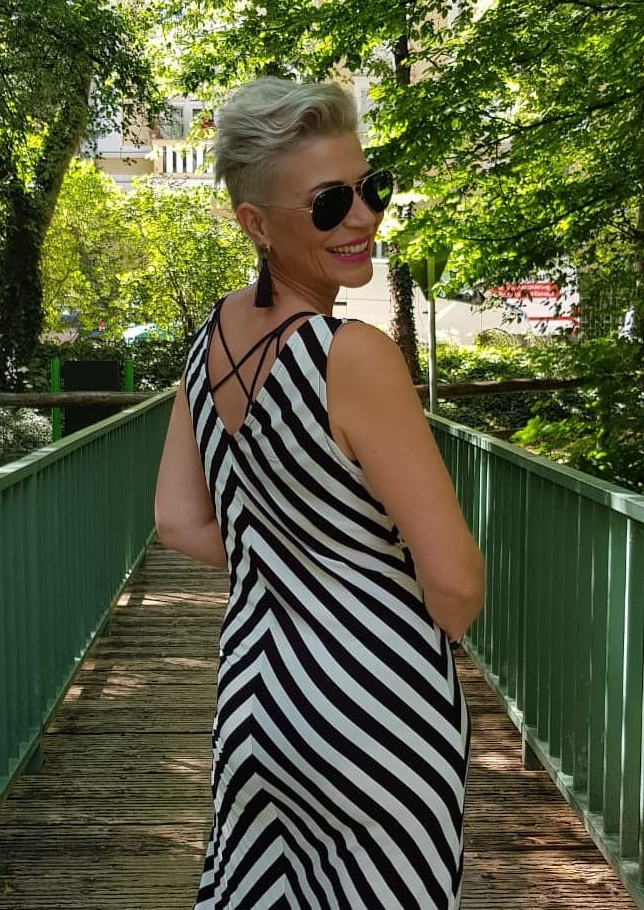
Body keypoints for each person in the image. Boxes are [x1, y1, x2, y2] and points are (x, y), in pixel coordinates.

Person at [154, 76, 486, 910]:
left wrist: (292, 563)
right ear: (256, 224)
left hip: (254, 704)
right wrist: (366, 602)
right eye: (330, 202)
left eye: (371, 188)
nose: (362, 216)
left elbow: (177, 519)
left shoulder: (209, 338)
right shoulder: (353, 354)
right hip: (374, 709)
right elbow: (455, 582)